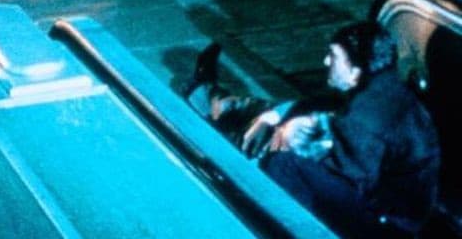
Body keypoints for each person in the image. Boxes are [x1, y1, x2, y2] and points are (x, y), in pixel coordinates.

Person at [184, 22, 440, 237]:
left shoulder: (365, 119)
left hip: (384, 225)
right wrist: (283, 117)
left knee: (282, 164)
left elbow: (349, 178)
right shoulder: (385, 87)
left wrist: (294, 139)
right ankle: (214, 101)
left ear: (356, 70)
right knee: (286, 110)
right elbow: (326, 107)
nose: (326, 61)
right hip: (394, 205)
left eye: (334, 56)